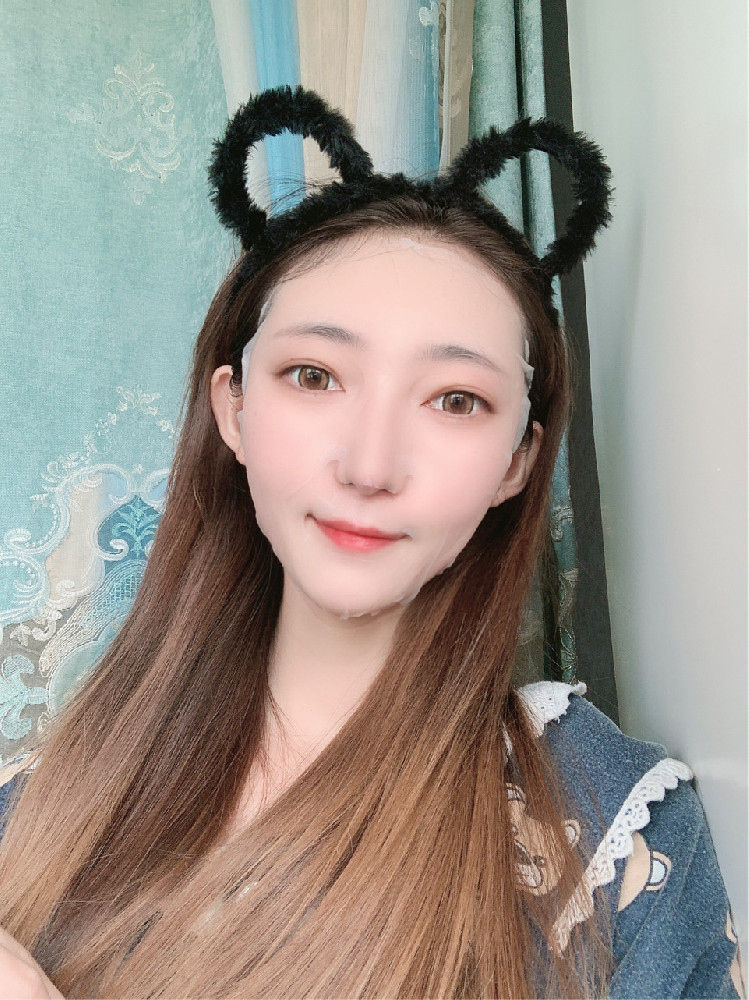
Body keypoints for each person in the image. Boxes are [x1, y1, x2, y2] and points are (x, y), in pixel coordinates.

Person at [0, 86, 741, 999]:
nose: (370, 464)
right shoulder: (43, 795)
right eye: (313, 376)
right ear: (233, 408)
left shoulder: (613, 833)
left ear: (517, 461)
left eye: (455, 400)